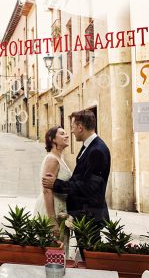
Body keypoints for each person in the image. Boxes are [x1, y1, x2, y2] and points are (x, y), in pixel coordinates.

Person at [42, 109, 111, 259]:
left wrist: (57, 184)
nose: (71, 132)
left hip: (89, 214)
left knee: (90, 258)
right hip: (82, 214)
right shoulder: (89, 147)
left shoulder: (97, 150)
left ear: (80, 127)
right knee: (86, 256)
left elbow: (89, 187)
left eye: (72, 126)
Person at [34, 126, 72, 247]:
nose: (67, 136)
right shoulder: (52, 159)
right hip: (51, 208)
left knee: (59, 250)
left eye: (66, 133)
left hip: (59, 208)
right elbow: (46, 190)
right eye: (62, 134)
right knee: (53, 249)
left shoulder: (60, 158)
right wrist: (52, 220)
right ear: (53, 139)